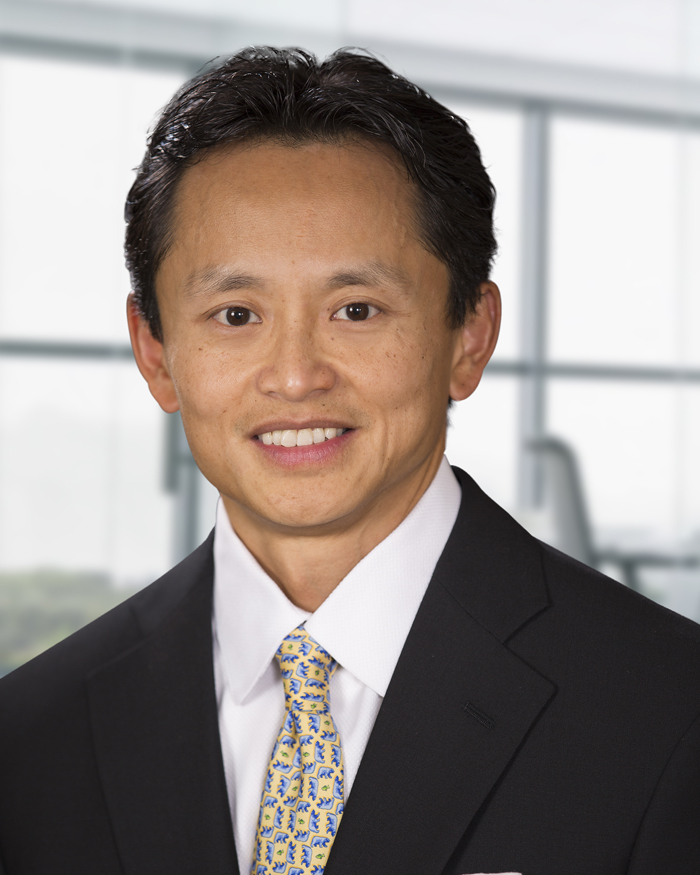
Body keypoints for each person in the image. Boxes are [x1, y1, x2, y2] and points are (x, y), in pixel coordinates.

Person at [1, 47, 699, 875]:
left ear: (469, 335)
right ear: (155, 354)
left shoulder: (668, 713)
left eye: (356, 309)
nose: (296, 375)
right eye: (235, 314)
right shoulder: (29, 739)